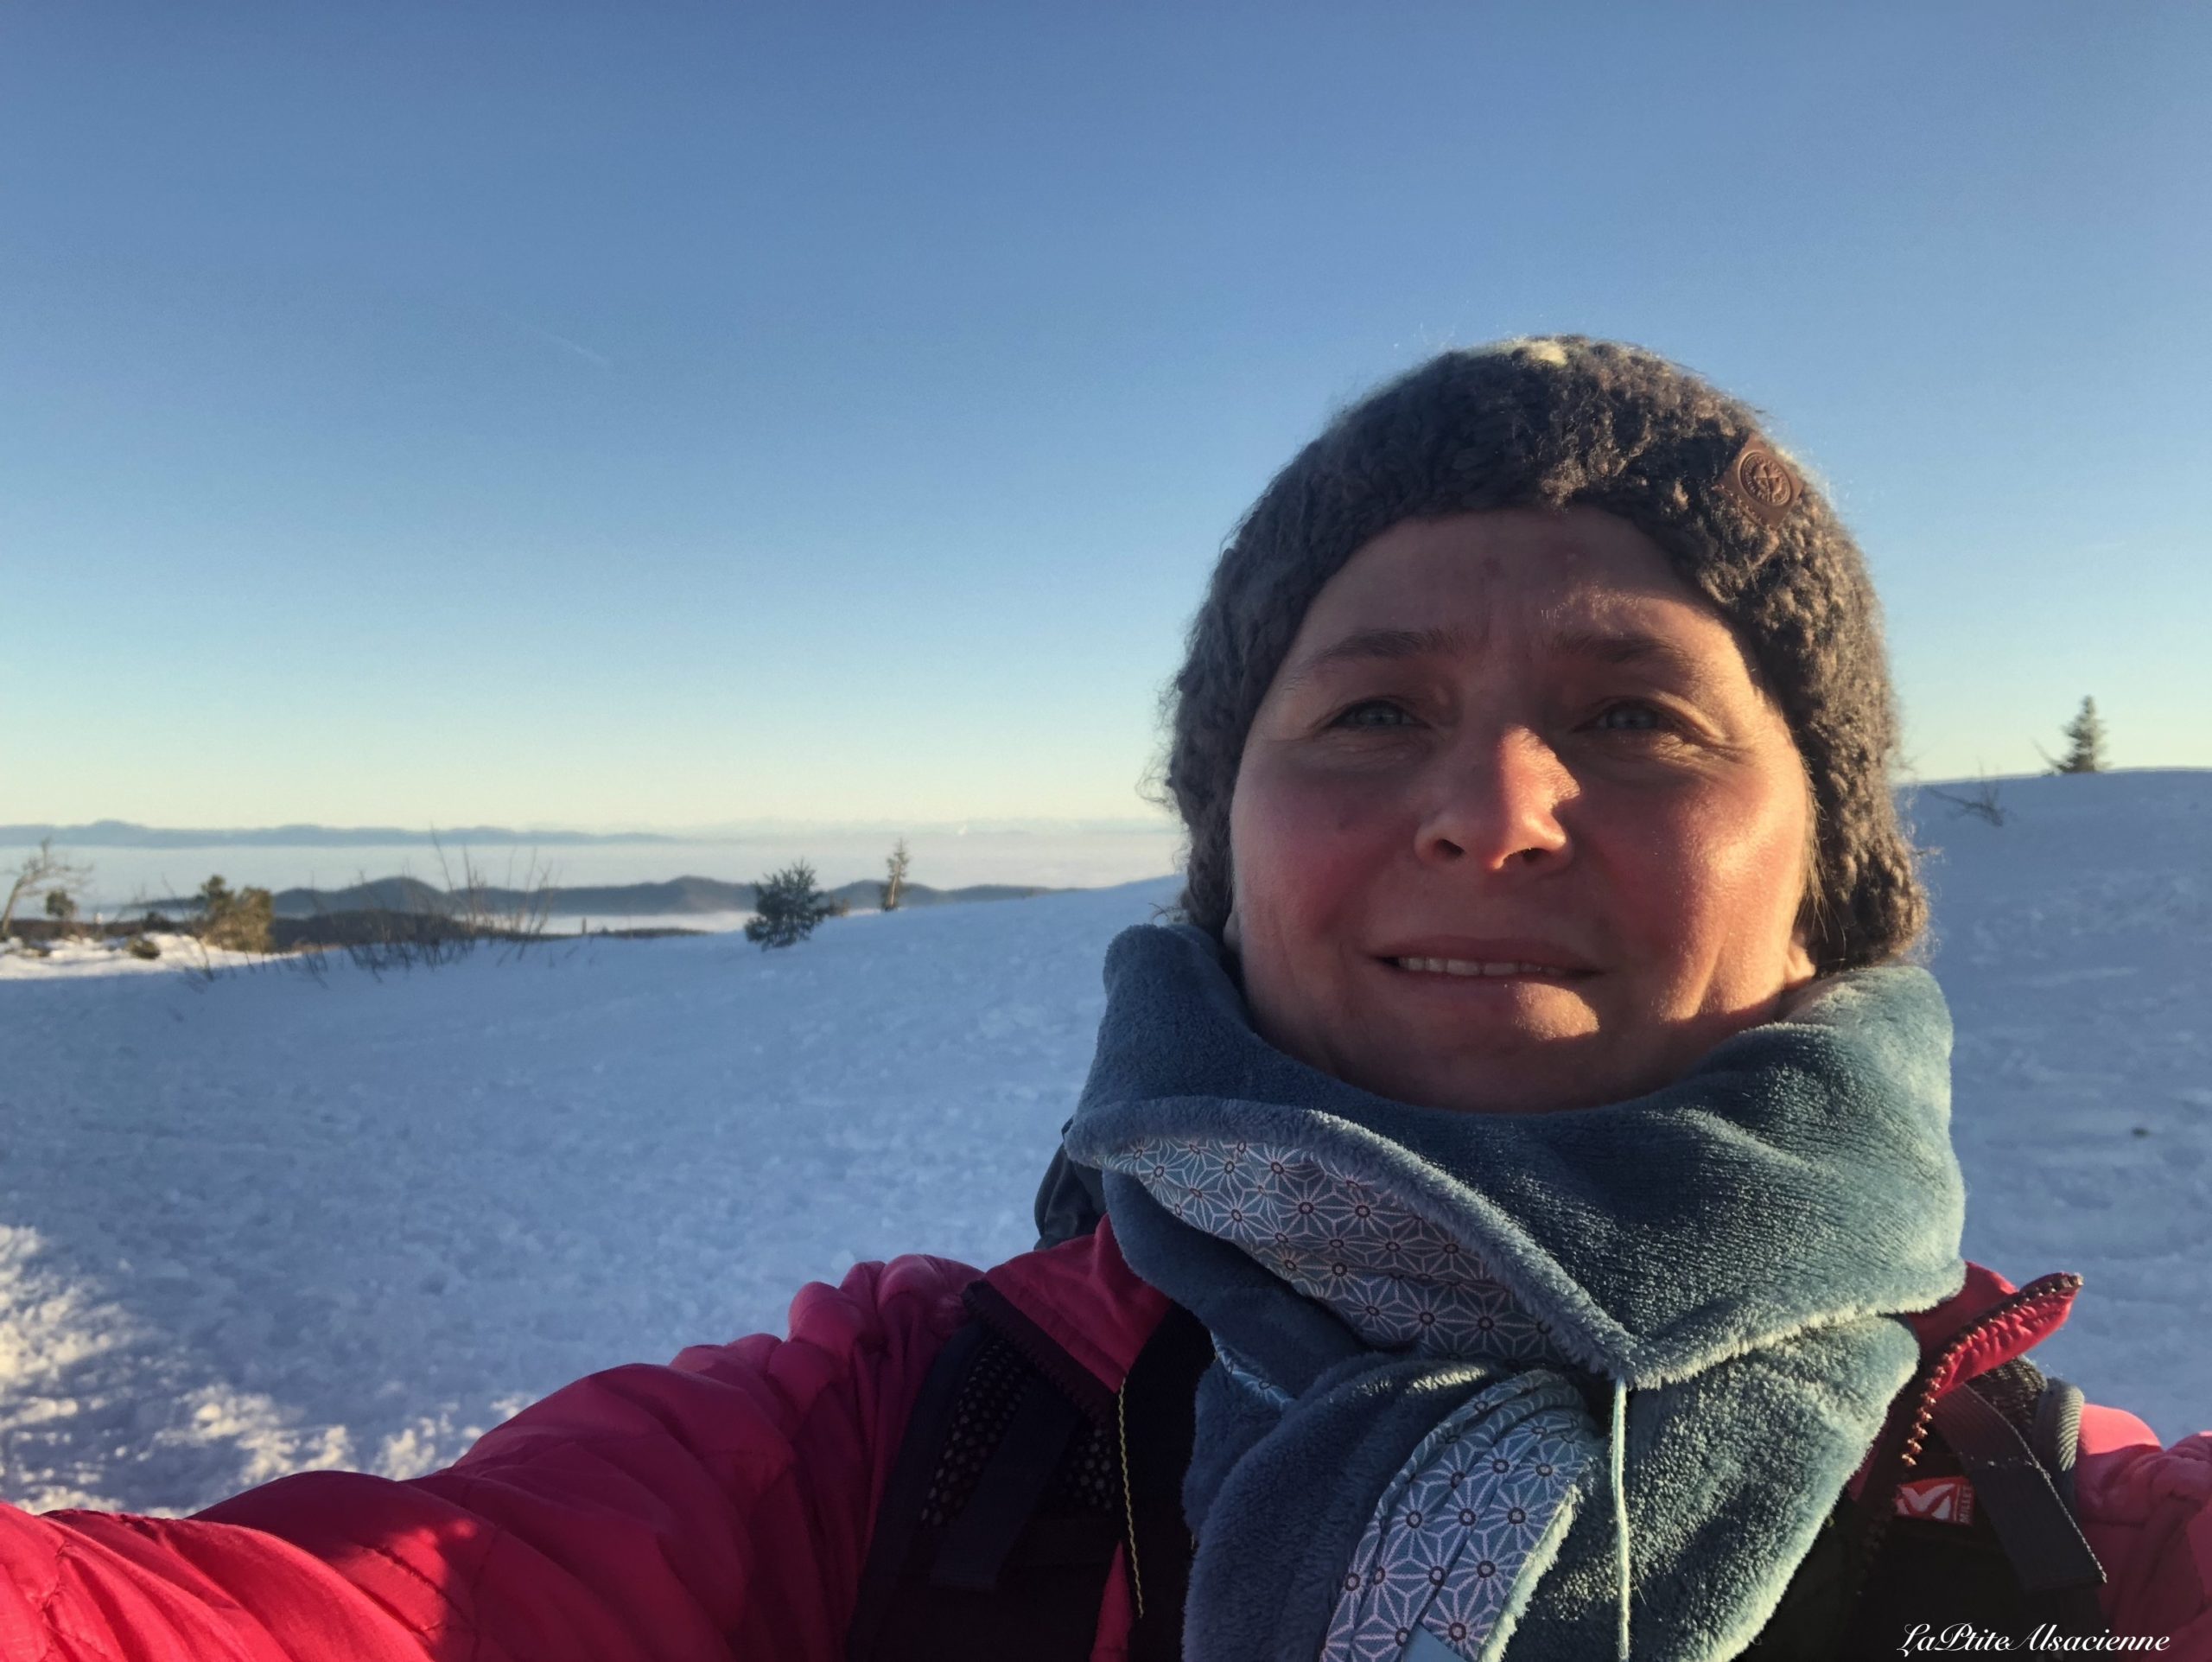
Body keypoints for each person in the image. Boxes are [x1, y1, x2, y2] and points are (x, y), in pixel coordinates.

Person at [3, 338, 2205, 1660]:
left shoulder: (2061, 1546)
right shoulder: (916, 1443)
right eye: (1367, 709)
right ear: (1224, 853)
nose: (1489, 803)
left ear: (1828, 880)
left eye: (1634, 713)